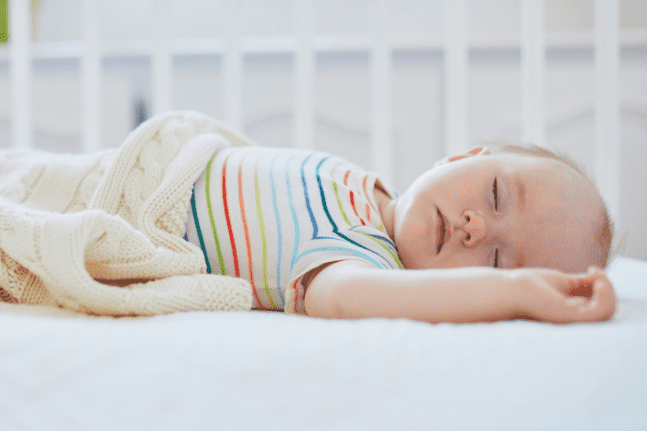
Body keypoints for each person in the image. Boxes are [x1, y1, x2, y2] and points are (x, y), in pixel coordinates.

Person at [185, 142, 616, 324]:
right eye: (496, 193)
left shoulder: (365, 261)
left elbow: (338, 297)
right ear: (461, 157)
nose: (477, 228)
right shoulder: (363, 186)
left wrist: (514, 291)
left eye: (497, 260)